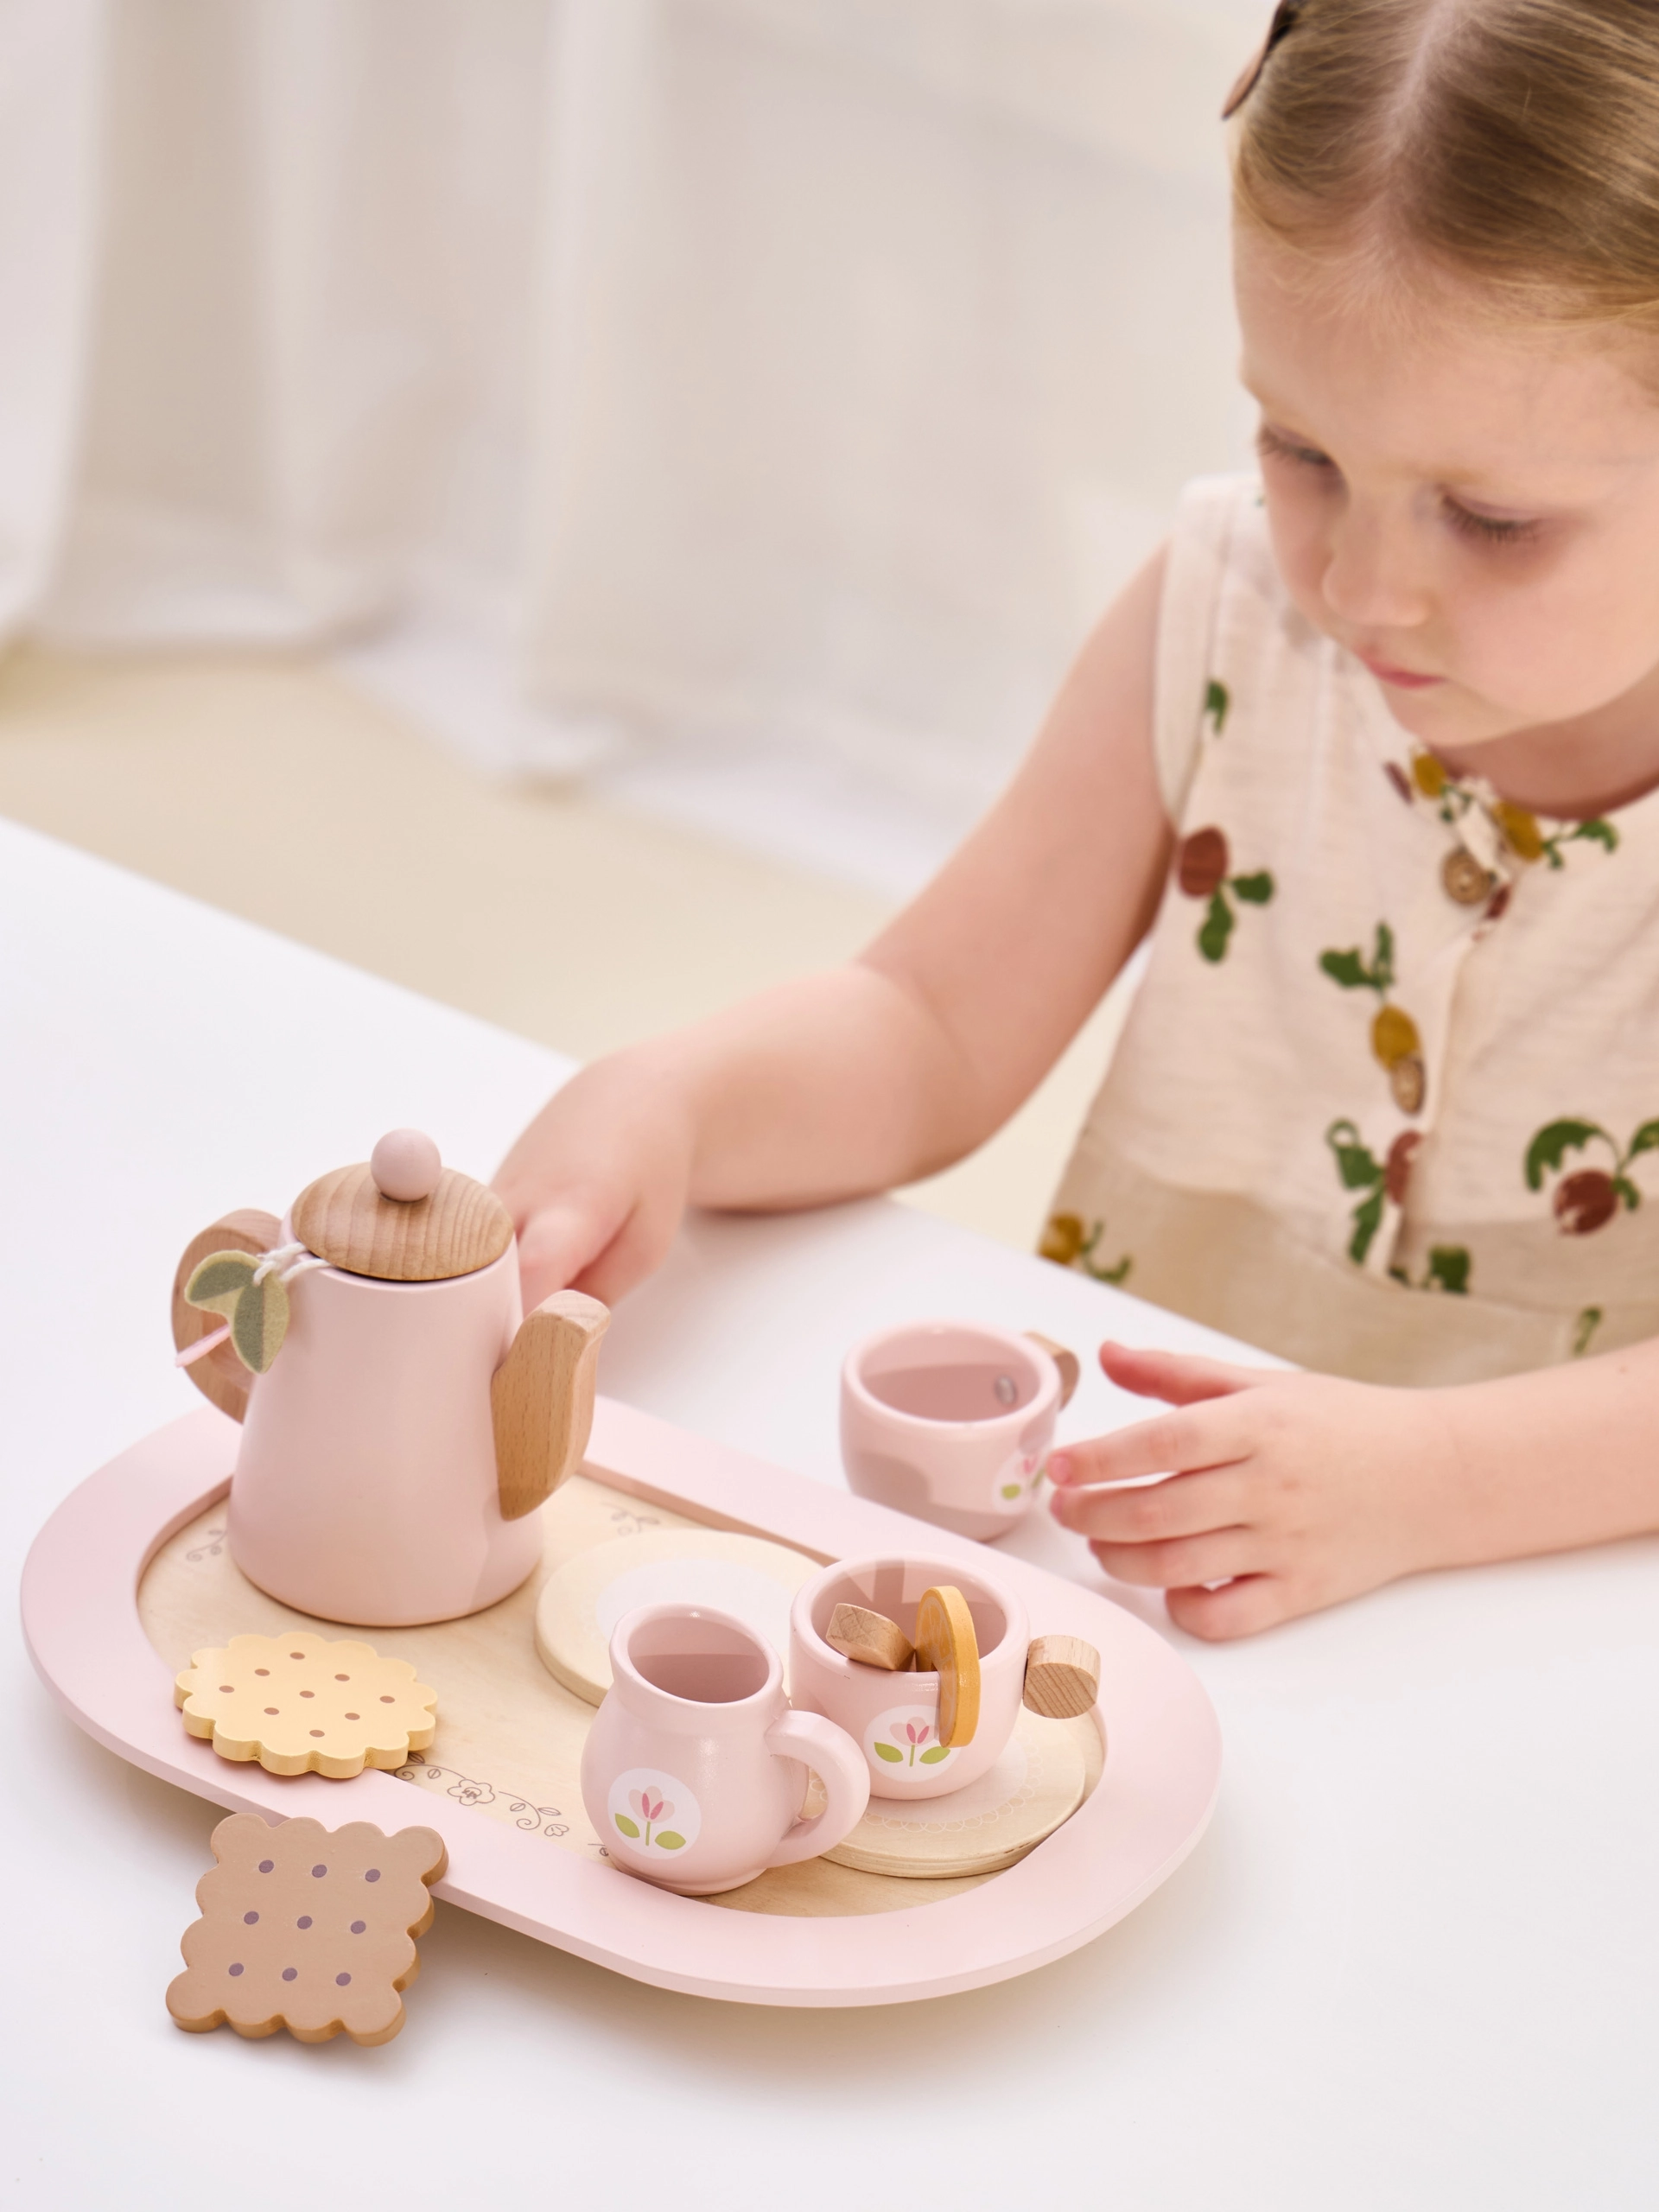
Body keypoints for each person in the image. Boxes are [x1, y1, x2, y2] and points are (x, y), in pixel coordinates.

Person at [495, 0, 1659, 1637]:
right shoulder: (1229, 611)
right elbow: (929, 1024)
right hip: (1134, 1584)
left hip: (1555, 1628)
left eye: (1491, 517)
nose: (1359, 586)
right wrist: (671, 1099)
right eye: (1301, 447)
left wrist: (1434, 1485)